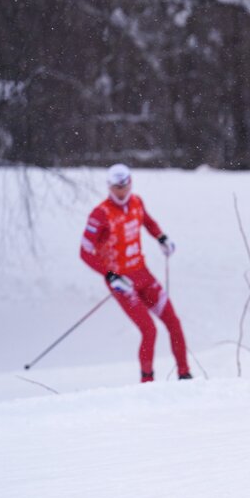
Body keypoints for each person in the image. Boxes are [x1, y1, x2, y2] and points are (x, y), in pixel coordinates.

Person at [80, 163, 192, 383]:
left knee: (173, 322)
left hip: (143, 275)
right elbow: (85, 252)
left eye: (125, 185)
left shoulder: (137, 203)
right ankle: (147, 384)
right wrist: (110, 275)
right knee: (149, 330)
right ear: (109, 187)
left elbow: (148, 222)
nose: (121, 191)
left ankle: (184, 374)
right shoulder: (100, 214)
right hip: (122, 283)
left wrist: (161, 237)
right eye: (116, 187)